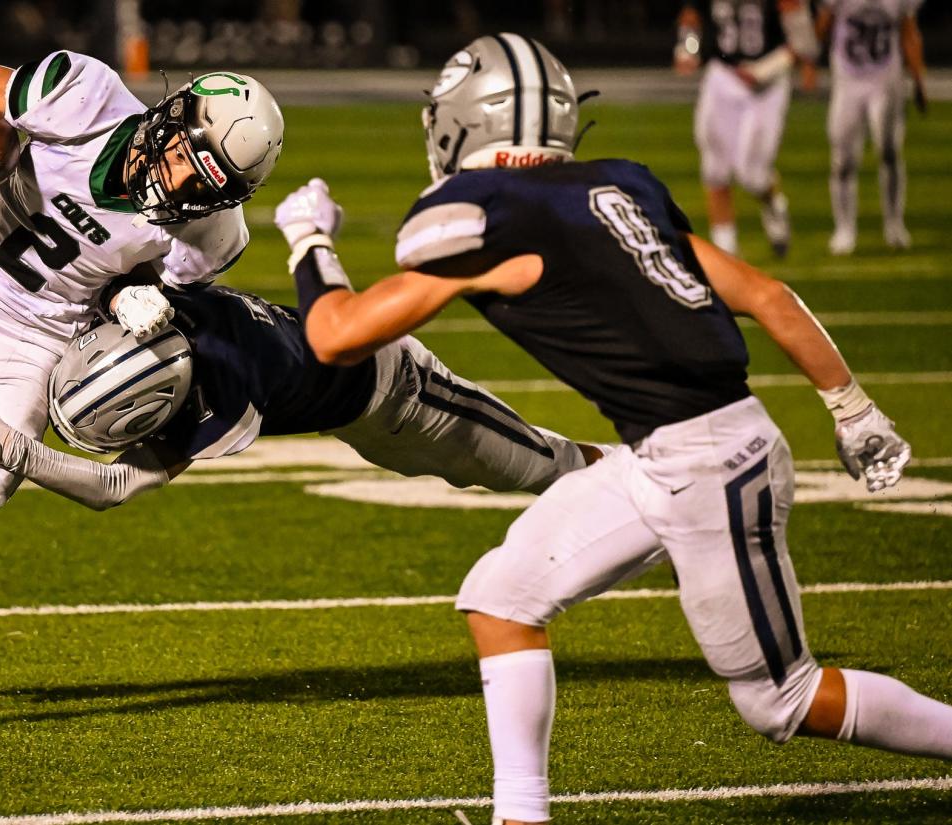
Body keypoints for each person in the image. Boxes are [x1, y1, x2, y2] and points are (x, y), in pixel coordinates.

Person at [273, 33, 951, 824]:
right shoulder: (619, 187)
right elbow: (766, 294)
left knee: (782, 699)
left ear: (459, 121)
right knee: (502, 595)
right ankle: (519, 816)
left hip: (712, 462)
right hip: (663, 452)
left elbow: (333, 335)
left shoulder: (490, 215)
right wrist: (852, 407)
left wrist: (309, 240)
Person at [0, 53, 284, 749]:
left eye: (207, 186)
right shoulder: (84, 94)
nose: (183, 184)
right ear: (171, 117)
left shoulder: (209, 236)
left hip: (31, 349)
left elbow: (132, 279)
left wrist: (130, 296)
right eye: (188, 158)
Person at [0, 282, 602, 527]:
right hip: (355, 418)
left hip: (402, 392)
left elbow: (112, 486)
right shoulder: (162, 315)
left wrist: (18, 452)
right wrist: (117, 294)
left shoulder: (234, 396)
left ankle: (661, 477)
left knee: (546, 466)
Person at [674, 0, 819, 257]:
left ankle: (773, 203)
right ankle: (726, 250)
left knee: (753, 175)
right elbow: (691, 15)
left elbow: (801, 34)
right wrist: (688, 49)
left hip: (766, 82)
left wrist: (776, 66)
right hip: (724, 73)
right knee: (714, 168)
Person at [817, 0, 927, 254]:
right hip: (848, 81)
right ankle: (844, 229)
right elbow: (821, 29)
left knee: (889, 151)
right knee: (843, 159)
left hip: (885, 80)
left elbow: (909, 32)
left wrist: (919, 79)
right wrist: (809, 60)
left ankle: (894, 224)